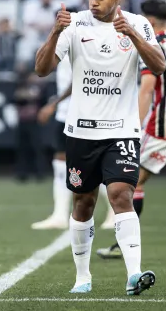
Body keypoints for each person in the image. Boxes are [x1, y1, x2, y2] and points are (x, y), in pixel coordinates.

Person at [34, 0, 166, 295]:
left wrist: (133, 35)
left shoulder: (138, 23)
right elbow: (41, 69)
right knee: (84, 203)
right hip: (81, 132)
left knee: (122, 195)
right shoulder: (75, 23)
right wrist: (54, 32)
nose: (94, 2)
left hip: (122, 130)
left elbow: (160, 65)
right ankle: (82, 277)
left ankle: (133, 275)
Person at [96, 0, 166, 262]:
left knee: (129, 182)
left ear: (151, 21)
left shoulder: (153, 46)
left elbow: (147, 89)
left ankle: (122, 246)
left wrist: (132, 127)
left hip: (162, 127)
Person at [33, 53, 116, 230]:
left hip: (82, 113)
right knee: (60, 162)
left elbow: (81, 79)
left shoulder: (80, 42)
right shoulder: (62, 43)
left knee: (94, 165)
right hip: (65, 114)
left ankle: (114, 211)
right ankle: (59, 214)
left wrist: (53, 103)